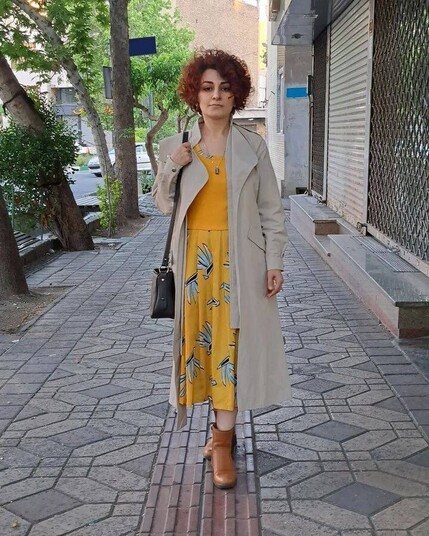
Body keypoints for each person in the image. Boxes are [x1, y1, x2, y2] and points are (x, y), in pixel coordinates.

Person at [152, 49, 290, 489]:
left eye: (225, 89)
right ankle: (215, 436)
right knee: (201, 351)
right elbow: (162, 204)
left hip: (240, 263)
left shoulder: (252, 146)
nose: (216, 96)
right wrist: (173, 167)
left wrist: (274, 262)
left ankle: (223, 443)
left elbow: (271, 210)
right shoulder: (176, 146)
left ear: (236, 96)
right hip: (193, 265)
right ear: (195, 94)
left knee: (231, 351)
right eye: (207, 88)